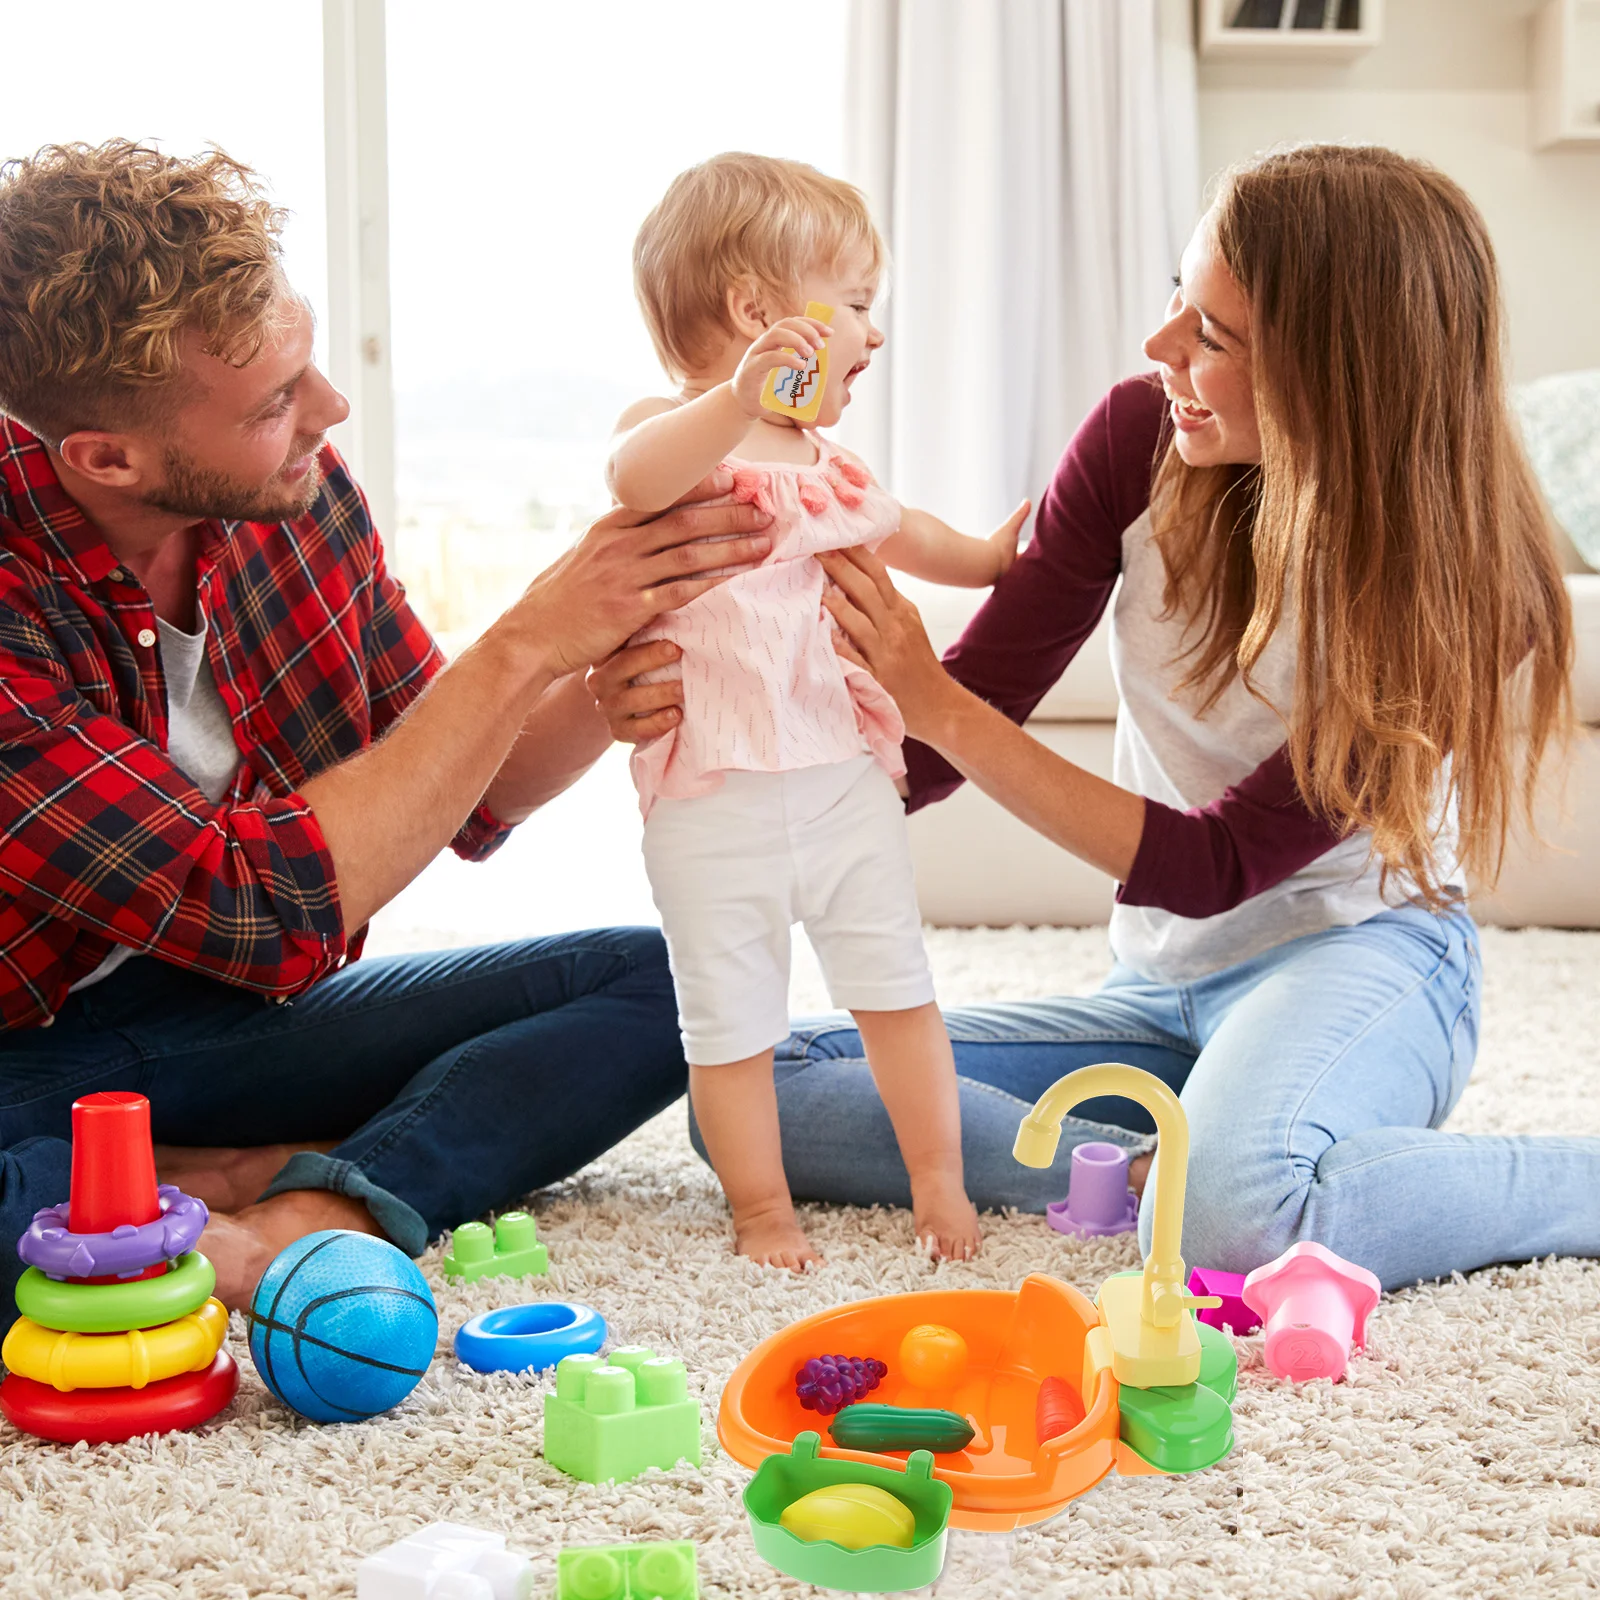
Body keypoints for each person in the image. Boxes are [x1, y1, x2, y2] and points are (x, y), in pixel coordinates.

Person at [594, 144, 1596, 1292]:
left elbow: (1213, 862)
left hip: (1358, 956)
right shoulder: (1136, 438)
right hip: (1159, 988)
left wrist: (927, 696)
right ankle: (1183, 1159)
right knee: (752, 1102)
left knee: (1230, 1225)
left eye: (1211, 336)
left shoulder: (1465, 586)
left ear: (1337, 376)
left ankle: (1279, 1173)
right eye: (1178, 296)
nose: (1159, 344)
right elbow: (922, 756)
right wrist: (718, 693)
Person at [0, 139, 775, 1318]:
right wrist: (523, 640)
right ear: (109, 456)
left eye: (304, 364)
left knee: (669, 983)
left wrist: (595, 658)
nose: (329, 408)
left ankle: (308, 1200)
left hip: (212, 1024)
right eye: (275, 402)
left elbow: (463, 781)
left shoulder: (292, 495)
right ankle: (154, 1183)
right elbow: (259, 912)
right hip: (26, 1053)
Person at [607, 154, 1026, 1267]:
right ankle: (761, 1210)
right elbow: (636, 477)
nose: (873, 336)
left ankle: (937, 1184)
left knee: (896, 990)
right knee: (731, 1020)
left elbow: (909, 532)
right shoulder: (678, 436)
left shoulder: (828, 468)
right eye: (853, 306)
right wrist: (734, 400)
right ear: (759, 316)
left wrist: (988, 556)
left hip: (840, 781)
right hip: (710, 793)